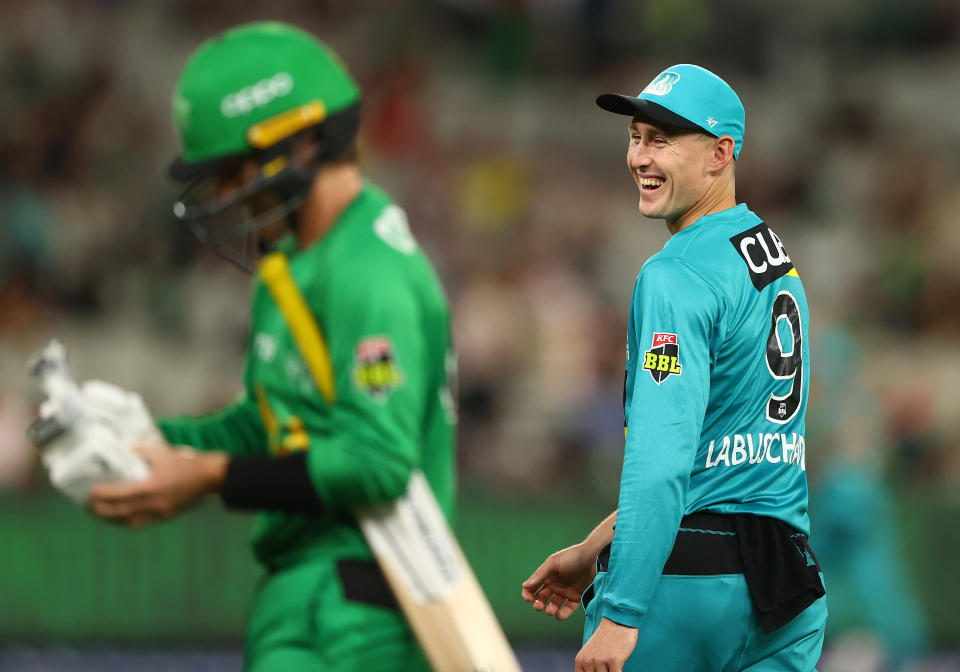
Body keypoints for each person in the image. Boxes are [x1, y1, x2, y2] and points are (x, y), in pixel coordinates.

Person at [88, 21, 455, 672]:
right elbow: (274, 425)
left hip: (356, 607)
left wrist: (205, 477)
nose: (225, 193)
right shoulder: (294, 266)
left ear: (306, 141)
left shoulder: (370, 271)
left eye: (233, 170)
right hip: (309, 595)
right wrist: (145, 443)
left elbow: (378, 462)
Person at [521, 64, 827, 671]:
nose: (640, 156)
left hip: (686, 588)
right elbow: (718, 459)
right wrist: (595, 546)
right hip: (786, 588)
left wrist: (621, 610)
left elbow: (661, 462)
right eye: (636, 137)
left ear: (720, 153)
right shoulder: (772, 258)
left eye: (662, 140)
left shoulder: (674, 273)